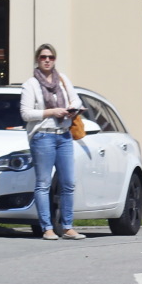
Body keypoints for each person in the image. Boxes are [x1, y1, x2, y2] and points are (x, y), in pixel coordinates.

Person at [20, 44, 86, 241]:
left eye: (50, 57)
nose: (47, 60)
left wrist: (71, 108)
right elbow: (25, 114)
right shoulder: (31, 84)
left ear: (55, 59)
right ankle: (47, 227)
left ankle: (67, 227)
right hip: (43, 136)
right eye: (43, 57)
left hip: (64, 134)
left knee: (68, 183)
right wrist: (51, 112)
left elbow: (76, 101)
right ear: (37, 60)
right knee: (43, 183)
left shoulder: (63, 80)